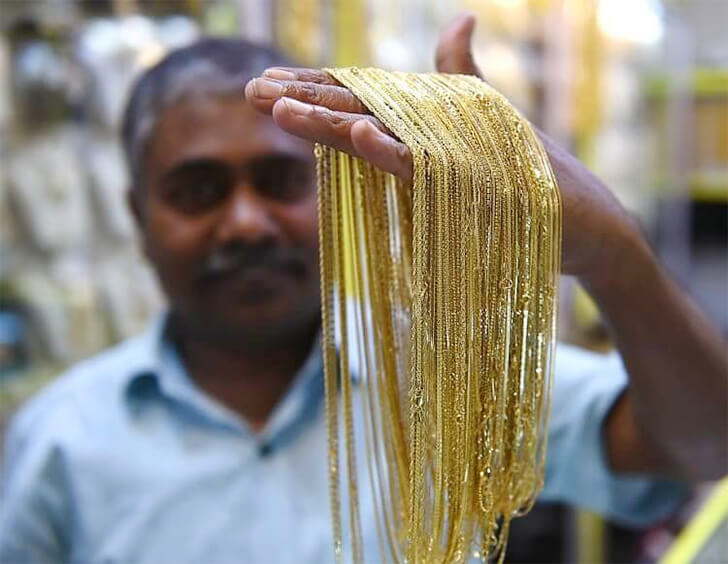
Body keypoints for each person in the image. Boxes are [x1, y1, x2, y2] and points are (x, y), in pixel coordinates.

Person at [0, 14, 725, 564]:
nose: (246, 224)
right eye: (198, 191)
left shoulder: (460, 379)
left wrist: (616, 257)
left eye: (281, 181)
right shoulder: (60, 442)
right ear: (138, 216)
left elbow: (703, 444)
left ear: (331, 188)